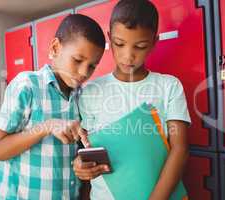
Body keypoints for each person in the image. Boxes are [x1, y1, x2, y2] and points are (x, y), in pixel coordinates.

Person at [73, 0, 191, 199]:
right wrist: (80, 165)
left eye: (140, 46)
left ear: (154, 42)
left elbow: (180, 149)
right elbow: (86, 148)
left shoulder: (169, 86)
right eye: (119, 44)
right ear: (110, 39)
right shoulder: (89, 91)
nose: (128, 56)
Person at [0, 14, 105, 200]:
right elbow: (0, 150)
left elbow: (78, 154)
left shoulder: (82, 97)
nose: (84, 72)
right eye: (77, 60)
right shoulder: (27, 85)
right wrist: (47, 126)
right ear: (55, 48)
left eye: (92, 66)